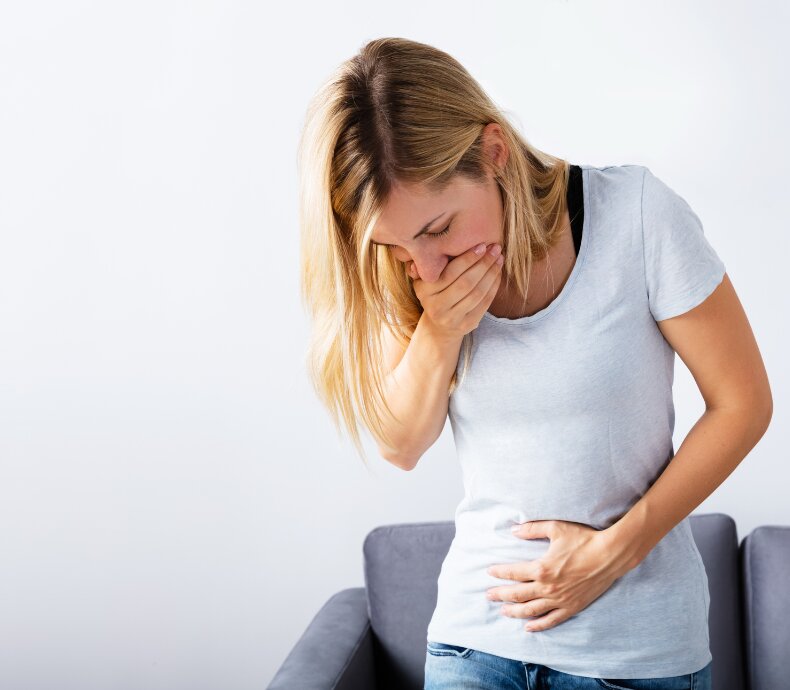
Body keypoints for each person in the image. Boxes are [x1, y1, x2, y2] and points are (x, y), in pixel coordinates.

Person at [296, 37, 772, 689]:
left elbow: (744, 402)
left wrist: (614, 551)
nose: (425, 265)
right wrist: (440, 328)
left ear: (494, 152)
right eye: (399, 247)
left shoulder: (637, 215)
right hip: (476, 644)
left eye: (437, 229)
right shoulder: (415, 273)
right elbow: (400, 445)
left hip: (635, 653)